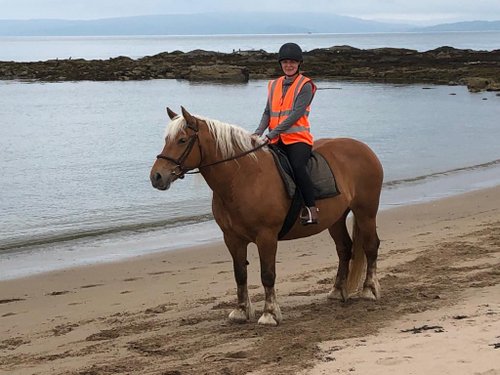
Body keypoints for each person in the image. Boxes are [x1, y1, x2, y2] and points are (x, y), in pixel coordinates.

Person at [254, 42, 319, 225]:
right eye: (285, 62)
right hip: (275, 138)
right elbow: (267, 112)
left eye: (292, 62)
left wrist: (271, 133)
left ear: (299, 64)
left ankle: (311, 208)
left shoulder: (306, 85)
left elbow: (295, 115)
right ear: (281, 64)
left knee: (298, 167)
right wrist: (258, 133)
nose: (288, 65)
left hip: (298, 139)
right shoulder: (273, 85)